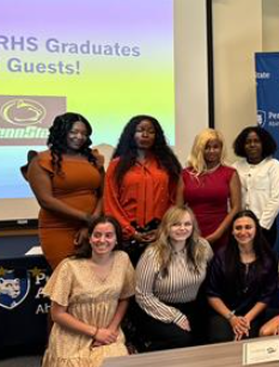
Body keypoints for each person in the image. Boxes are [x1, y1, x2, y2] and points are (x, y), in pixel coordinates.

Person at [42, 217, 134, 367]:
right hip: (72, 335)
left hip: (108, 331)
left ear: (117, 239)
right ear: (90, 238)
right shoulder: (69, 267)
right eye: (97, 235)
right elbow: (57, 314)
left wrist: (110, 331)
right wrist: (95, 332)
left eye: (108, 235)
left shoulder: (122, 259)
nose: (102, 240)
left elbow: (125, 298)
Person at [27, 112, 104, 269]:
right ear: (61, 132)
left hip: (94, 228)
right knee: (70, 282)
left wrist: (91, 223)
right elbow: (46, 201)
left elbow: (104, 193)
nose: (79, 137)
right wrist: (87, 218)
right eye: (73, 132)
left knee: (98, 281)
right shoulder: (41, 160)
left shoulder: (93, 159)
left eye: (84, 133)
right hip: (58, 230)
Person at [133, 207, 213, 351]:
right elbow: (143, 295)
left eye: (187, 224)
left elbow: (211, 277)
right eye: (176, 224)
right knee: (182, 338)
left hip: (193, 306)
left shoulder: (203, 247)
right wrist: (174, 316)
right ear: (166, 227)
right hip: (157, 308)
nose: (182, 228)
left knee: (206, 338)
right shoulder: (152, 254)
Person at [104, 115, 181, 261]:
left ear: (156, 136)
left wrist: (163, 229)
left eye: (151, 131)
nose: (145, 134)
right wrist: (130, 231)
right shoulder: (117, 165)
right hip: (126, 234)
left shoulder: (167, 164)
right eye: (140, 130)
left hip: (160, 234)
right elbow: (111, 202)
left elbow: (174, 199)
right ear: (132, 134)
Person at [205, 210, 278, 342]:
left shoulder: (268, 258)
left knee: (247, 338)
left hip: (253, 314)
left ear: (256, 230)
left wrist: (247, 319)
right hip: (224, 313)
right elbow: (212, 294)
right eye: (238, 228)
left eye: (248, 227)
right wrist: (232, 318)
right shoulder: (221, 257)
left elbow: (267, 295)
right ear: (232, 232)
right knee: (222, 338)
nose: (243, 232)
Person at [178, 128, 241, 247]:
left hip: (221, 232)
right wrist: (186, 232)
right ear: (199, 149)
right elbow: (178, 209)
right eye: (207, 147)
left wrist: (218, 234)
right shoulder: (186, 174)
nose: (211, 151)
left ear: (221, 149)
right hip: (189, 233)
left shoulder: (230, 173)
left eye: (216, 147)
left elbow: (236, 208)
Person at [233, 126, 279, 246]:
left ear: (264, 144)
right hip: (241, 228)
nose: (252, 145)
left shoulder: (273, 165)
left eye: (256, 141)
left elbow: (277, 199)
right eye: (248, 142)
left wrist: (261, 226)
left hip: (265, 228)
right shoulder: (236, 167)